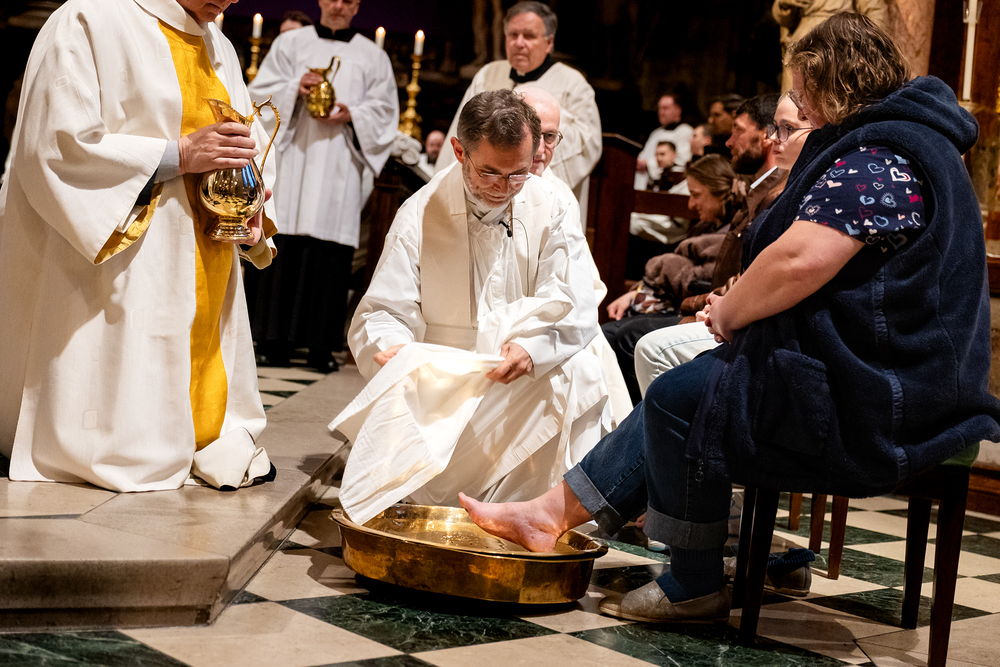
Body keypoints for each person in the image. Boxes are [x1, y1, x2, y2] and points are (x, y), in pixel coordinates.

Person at [460, 13, 1000, 624]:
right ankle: (555, 516)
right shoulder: (913, 139)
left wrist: (735, 313)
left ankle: (692, 580)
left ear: (833, 85)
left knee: (681, 398)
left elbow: (800, 259)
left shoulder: (882, 155)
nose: (798, 102)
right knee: (687, 387)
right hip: (889, 366)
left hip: (883, 392)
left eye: (803, 89)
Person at [0, 0, 280, 492]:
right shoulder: (89, 18)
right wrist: (179, 155)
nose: (231, 1)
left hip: (203, 247)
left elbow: (245, 140)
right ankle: (112, 443)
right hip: (122, 256)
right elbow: (57, 145)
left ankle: (200, 435)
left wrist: (252, 198)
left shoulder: (219, 44)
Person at [332, 89, 614, 524]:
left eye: (518, 174)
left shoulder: (552, 203)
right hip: (446, 384)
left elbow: (576, 302)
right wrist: (388, 346)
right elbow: (383, 311)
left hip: (515, 373)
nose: (504, 188)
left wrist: (534, 348)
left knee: (581, 369)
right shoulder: (419, 213)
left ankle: (528, 517)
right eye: (490, 172)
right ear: (459, 151)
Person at [244, 0, 398, 372]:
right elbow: (256, 95)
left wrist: (353, 114)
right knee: (283, 240)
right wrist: (294, 88)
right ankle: (271, 341)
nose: (339, 5)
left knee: (328, 254)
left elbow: (385, 111)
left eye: (348, 0)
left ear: (357, 6)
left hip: (337, 164)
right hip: (293, 157)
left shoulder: (373, 57)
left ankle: (320, 346)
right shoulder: (290, 44)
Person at [634, 93, 814, 397]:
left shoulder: (789, 194)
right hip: (730, 307)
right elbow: (746, 267)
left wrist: (712, 309)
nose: (774, 138)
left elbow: (776, 273)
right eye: (775, 128)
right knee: (628, 333)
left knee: (649, 348)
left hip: (760, 325)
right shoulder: (767, 190)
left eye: (787, 129)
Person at [519, 86, 632, 421]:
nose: (541, 148)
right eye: (532, 133)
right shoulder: (496, 184)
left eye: (550, 137)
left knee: (592, 355)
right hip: (510, 317)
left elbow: (580, 278)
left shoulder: (560, 192)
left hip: (556, 317)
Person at [436, 1, 602, 219]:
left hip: (537, 205)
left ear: (549, 42)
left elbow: (588, 144)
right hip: (482, 191)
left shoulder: (573, 83)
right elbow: (461, 130)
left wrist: (524, 163)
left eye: (529, 36)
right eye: (513, 35)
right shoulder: (488, 74)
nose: (519, 43)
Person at [604, 154, 737, 404]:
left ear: (719, 192)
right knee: (606, 333)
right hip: (671, 297)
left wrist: (664, 264)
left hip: (695, 307)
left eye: (696, 195)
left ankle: (637, 413)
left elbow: (699, 279)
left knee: (625, 336)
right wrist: (634, 292)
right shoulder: (705, 226)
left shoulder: (731, 232)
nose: (691, 205)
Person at [773, 0, 888, 91]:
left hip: (838, 40)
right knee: (795, 96)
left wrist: (865, 45)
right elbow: (784, 20)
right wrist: (784, 5)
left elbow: (876, 11)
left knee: (832, 94)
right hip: (801, 41)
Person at [634, 94, 693, 190]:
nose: (661, 112)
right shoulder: (656, 133)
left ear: (677, 110)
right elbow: (644, 156)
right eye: (659, 109)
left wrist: (648, 165)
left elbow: (680, 161)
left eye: (665, 108)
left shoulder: (685, 131)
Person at [706, 93, 742, 158]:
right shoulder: (717, 141)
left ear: (734, 115)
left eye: (717, 115)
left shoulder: (744, 144)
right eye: (711, 115)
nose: (710, 120)